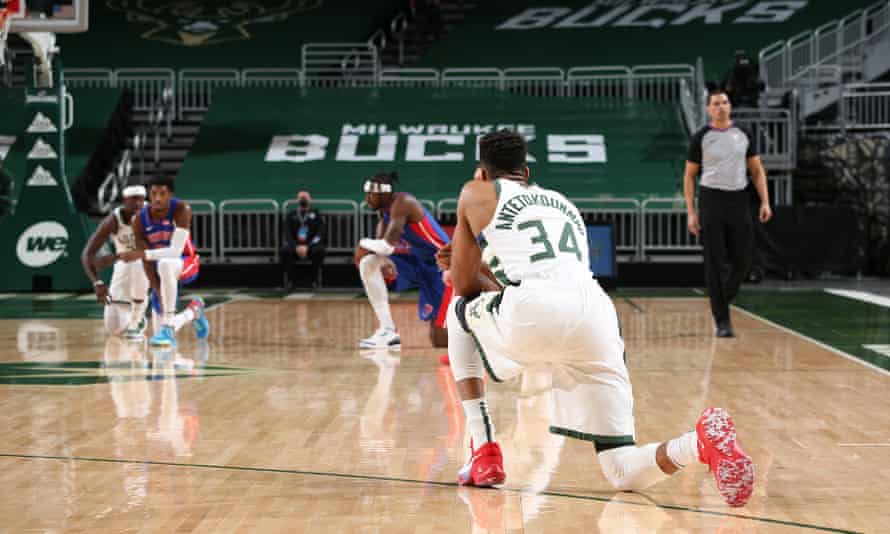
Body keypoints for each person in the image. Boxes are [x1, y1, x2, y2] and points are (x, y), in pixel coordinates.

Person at [441, 130, 754, 507]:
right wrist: (477, 267)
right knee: (622, 469)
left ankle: (484, 450)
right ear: (526, 172)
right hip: (596, 315)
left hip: (535, 311)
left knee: (458, 311)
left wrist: (461, 263)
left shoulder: (475, 192)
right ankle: (698, 443)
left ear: (481, 172)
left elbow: (465, 285)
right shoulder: (561, 204)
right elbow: (530, 280)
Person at [684, 90, 773, 338]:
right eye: (716, 104)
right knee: (714, 261)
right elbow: (689, 176)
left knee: (744, 260)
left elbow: (757, 170)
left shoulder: (743, 133)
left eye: (724, 103)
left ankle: (721, 298)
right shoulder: (701, 137)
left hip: (738, 198)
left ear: (730, 106)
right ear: (708, 109)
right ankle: (722, 321)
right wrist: (691, 212)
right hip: (711, 199)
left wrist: (765, 202)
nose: (721, 107)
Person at [354, 171, 451, 349]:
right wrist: (383, 260)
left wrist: (362, 243)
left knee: (440, 339)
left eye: (371, 194)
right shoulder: (384, 213)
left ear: (384, 195)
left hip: (443, 263)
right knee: (369, 262)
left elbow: (386, 246)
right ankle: (388, 331)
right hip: (418, 262)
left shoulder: (404, 202)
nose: (367, 199)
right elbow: (383, 251)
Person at [119, 176, 209, 347]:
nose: (158, 198)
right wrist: (157, 288)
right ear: (149, 195)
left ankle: (168, 325)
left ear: (170, 195)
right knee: (159, 340)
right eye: (154, 194)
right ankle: (193, 311)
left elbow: (175, 251)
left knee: (166, 263)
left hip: (186, 262)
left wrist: (142, 254)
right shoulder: (138, 220)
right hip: (157, 266)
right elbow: (146, 261)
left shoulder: (181, 209)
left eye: (162, 193)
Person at [81, 185, 150, 338]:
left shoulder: (151, 215)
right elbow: (87, 254)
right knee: (114, 329)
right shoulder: (113, 220)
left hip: (150, 262)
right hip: (123, 265)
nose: (138, 204)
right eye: (134, 200)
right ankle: (135, 315)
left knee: (138, 263)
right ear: (125, 201)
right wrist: (97, 283)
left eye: (141, 200)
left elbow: (156, 247)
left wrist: (116, 257)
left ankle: (137, 318)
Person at [280, 190, 325, 290]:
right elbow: (287, 234)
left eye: (305, 197)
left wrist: (308, 246)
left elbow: (320, 234)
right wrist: (296, 247)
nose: (303, 199)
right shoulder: (290, 215)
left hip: (311, 246)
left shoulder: (317, 215)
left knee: (319, 251)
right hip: (294, 246)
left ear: (310, 200)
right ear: (297, 200)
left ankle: (314, 280)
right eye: (301, 197)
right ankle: (290, 281)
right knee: (284, 251)